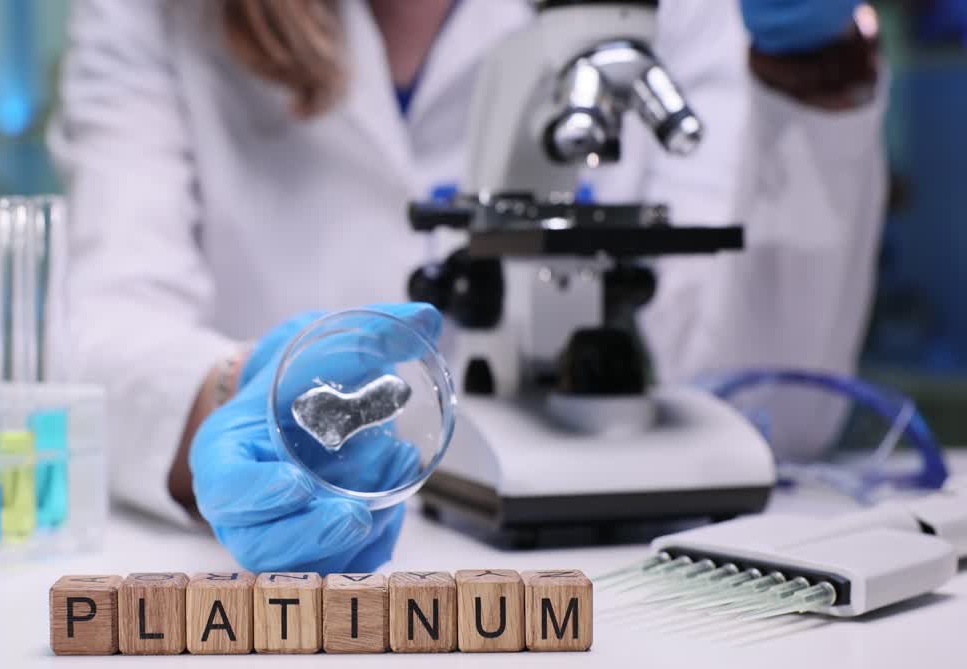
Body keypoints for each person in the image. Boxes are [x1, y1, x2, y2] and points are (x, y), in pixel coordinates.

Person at [48, 0, 886, 573]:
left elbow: (783, 406)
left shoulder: (690, 16)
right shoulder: (154, 14)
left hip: (636, 604)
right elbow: (111, 318)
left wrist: (810, 67)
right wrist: (235, 394)